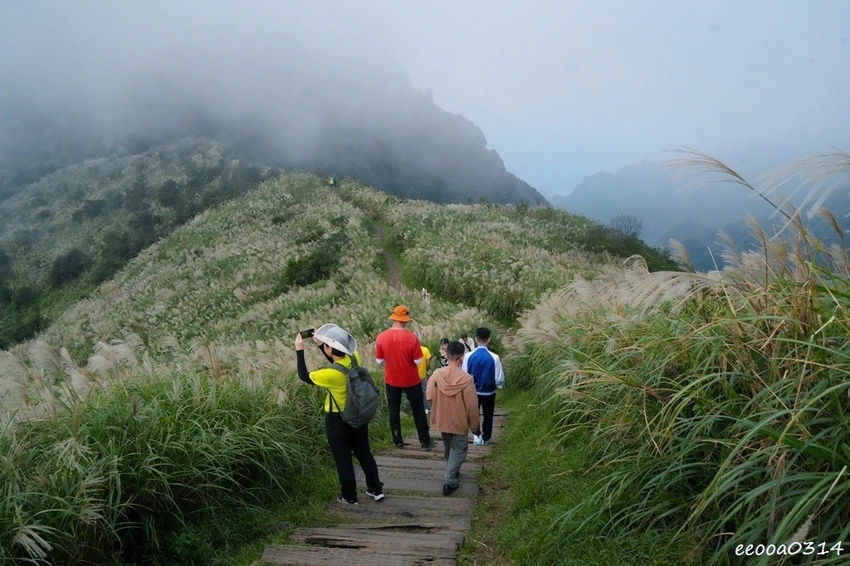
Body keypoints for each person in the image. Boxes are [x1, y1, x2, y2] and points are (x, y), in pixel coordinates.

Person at [296, 324, 384, 504]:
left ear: (330, 349)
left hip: (338, 420)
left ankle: (349, 496)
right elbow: (337, 362)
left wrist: (300, 350)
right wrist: (321, 344)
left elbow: (304, 375)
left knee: (343, 459)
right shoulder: (354, 357)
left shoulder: (329, 375)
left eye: (326, 346)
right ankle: (375, 489)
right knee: (364, 453)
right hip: (358, 414)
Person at [375, 305, 435, 450]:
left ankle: (398, 441)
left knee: (393, 410)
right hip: (411, 379)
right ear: (406, 320)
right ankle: (425, 441)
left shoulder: (381, 337)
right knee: (418, 409)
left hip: (391, 379)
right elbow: (418, 361)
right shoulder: (411, 338)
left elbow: (379, 361)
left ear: (393, 318)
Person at [427, 340, 479, 496]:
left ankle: (452, 471)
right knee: (460, 449)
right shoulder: (467, 379)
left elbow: (429, 396)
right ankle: (449, 480)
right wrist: (475, 426)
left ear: (447, 356)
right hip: (459, 421)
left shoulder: (436, 375)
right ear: (462, 358)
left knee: (448, 447)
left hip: (442, 419)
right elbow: (472, 406)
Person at [462, 327, 505, 446]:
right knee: (488, 415)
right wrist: (498, 386)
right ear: (489, 340)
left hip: (473, 391)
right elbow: (499, 378)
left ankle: (476, 435)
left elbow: (465, 375)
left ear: (476, 339)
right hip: (488, 392)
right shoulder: (494, 357)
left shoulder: (468, 356)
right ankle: (486, 438)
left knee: (473, 414)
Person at [416, 334, 432, 414]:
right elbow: (428, 364)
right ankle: (427, 408)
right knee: (425, 391)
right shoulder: (425, 350)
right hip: (422, 375)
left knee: (415, 392)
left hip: (412, 376)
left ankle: (417, 408)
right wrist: (426, 370)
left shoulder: (409, 350)